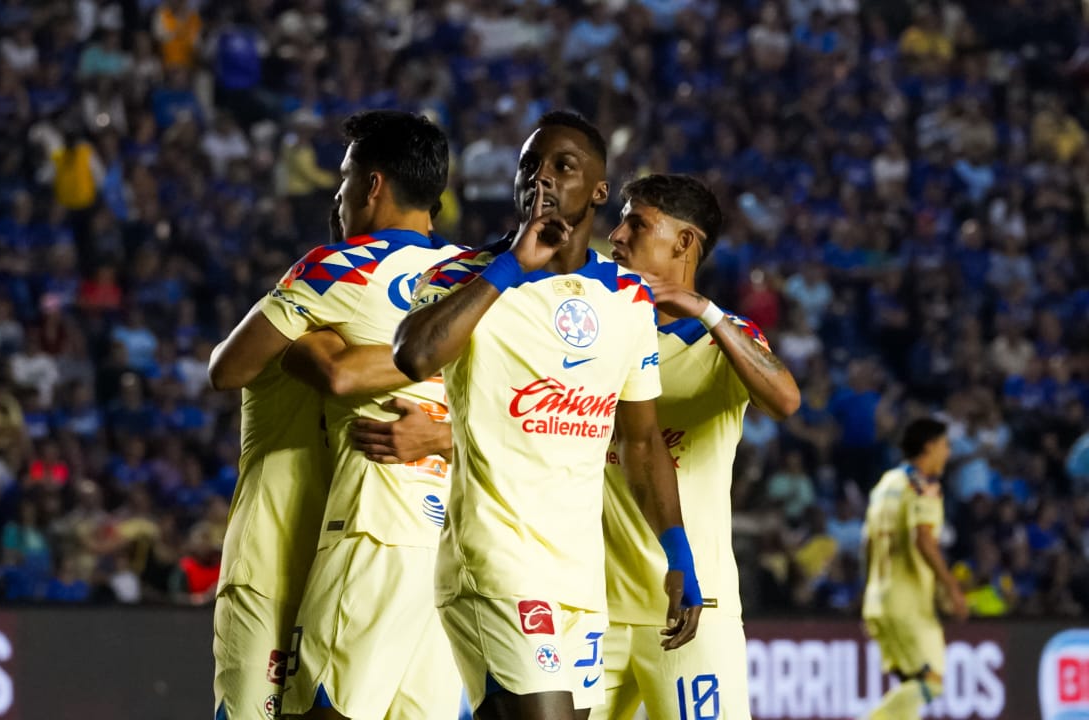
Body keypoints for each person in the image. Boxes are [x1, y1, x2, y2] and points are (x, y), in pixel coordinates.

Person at [393, 112, 702, 720]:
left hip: (580, 577)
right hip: (496, 562)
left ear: (598, 191)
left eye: (563, 166)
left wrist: (680, 556)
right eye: (530, 165)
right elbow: (413, 354)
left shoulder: (627, 298)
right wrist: (512, 265)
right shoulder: (464, 276)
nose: (542, 178)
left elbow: (641, 444)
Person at [210, 110, 463, 720]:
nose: (339, 195)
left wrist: (339, 354)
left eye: (344, 180)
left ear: (371, 186)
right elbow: (519, 406)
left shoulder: (330, 270)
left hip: (306, 549)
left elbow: (226, 368)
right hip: (417, 544)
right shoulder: (472, 284)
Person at [593, 174, 801, 720]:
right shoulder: (592, 331)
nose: (615, 235)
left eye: (636, 223)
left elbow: (785, 400)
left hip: (690, 607)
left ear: (684, 244)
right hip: (589, 607)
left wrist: (706, 311)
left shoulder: (723, 339)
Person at [862, 417, 969, 720]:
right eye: (945, 445)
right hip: (908, 604)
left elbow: (867, 543)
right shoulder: (924, 487)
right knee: (930, 683)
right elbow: (923, 539)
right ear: (929, 446)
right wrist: (951, 586)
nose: (947, 453)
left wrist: (866, 594)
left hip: (878, 600)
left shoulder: (886, 485)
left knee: (910, 686)